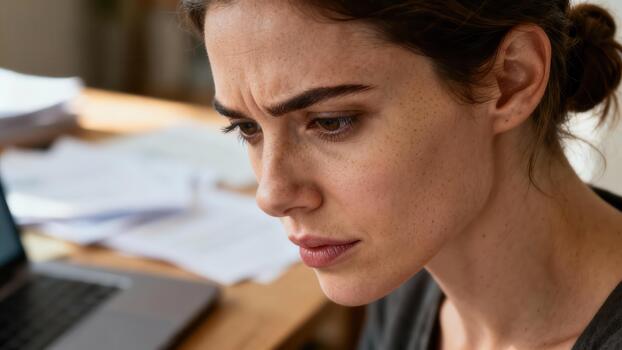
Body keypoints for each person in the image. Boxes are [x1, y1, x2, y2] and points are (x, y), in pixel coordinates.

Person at [180, 1, 622, 349]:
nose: (271, 195)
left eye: (332, 121)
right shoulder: (406, 270)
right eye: (248, 128)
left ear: (511, 79)